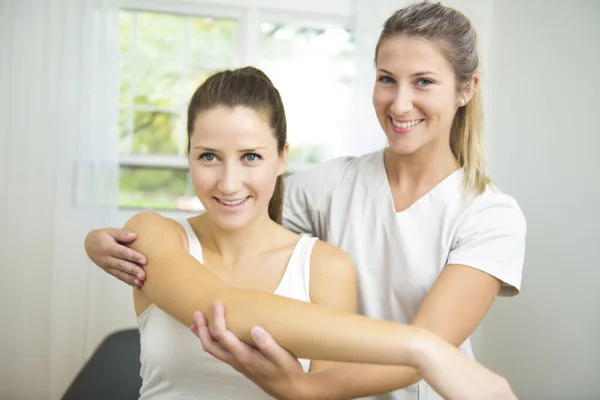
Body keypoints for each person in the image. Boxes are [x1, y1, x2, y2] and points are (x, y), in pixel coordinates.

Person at [84, 2, 526, 399]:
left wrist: (304, 388)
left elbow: (429, 343)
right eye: (387, 79)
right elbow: (237, 209)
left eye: (424, 82)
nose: (400, 102)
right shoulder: (332, 183)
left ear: (466, 89)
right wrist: (105, 240)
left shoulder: (491, 216)